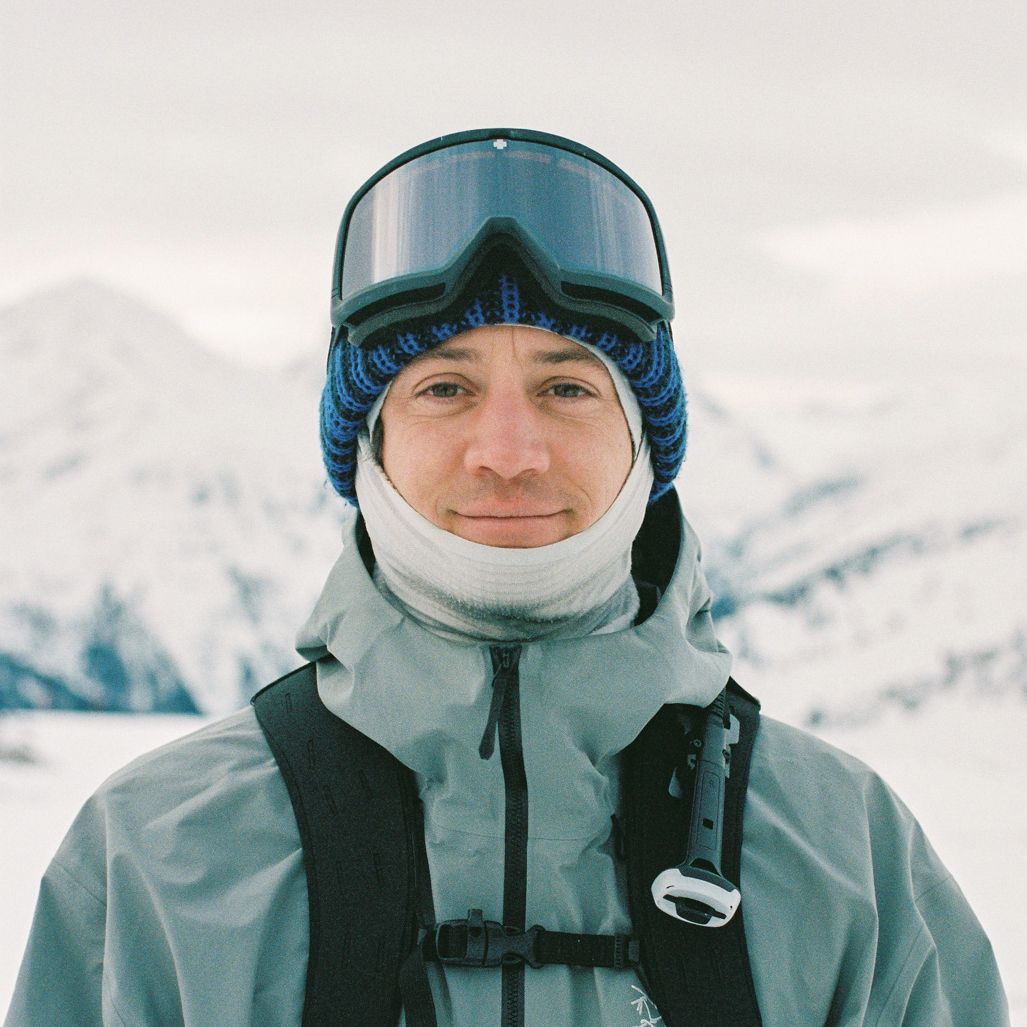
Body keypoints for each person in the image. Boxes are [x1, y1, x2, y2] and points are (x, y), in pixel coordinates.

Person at [5, 129, 1009, 1026]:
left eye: (566, 386)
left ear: (644, 442)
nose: (508, 452)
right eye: (445, 386)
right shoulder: (155, 857)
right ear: (369, 443)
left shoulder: (850, 858)